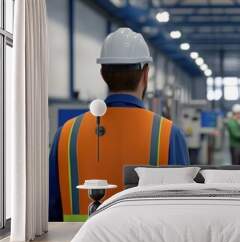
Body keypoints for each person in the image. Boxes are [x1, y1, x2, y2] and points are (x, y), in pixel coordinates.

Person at [49, 28, 189, 222]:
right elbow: (181, 211)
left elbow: (50, 211)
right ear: (145, 73)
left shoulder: (66, 133)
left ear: (102, 73)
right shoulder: (168, 134)